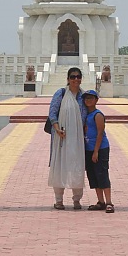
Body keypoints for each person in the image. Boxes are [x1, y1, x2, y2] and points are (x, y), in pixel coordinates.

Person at [48, 67, 87, 210]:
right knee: (59, 166)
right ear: (68, 79)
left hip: (78, 138)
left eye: (78, 77)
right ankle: (59, 200)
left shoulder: (84, 96)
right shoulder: (61, 93)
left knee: (77, 167)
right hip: (61, 137)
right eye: (73, 77)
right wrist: (57, 128)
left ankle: (77, 200)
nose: (75, 79)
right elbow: (52, 113)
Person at [83, 90, 114, 213]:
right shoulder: (86, 115)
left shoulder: (98, 115)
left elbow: (100, 133)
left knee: (102, 174)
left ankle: (109, 202)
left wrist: (96, 151)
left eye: (91, 98)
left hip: (100, 149)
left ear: (96, 100)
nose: (88, 100)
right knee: (93, 175)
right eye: (86, 98)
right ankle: (100, 201)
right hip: (89, 148)